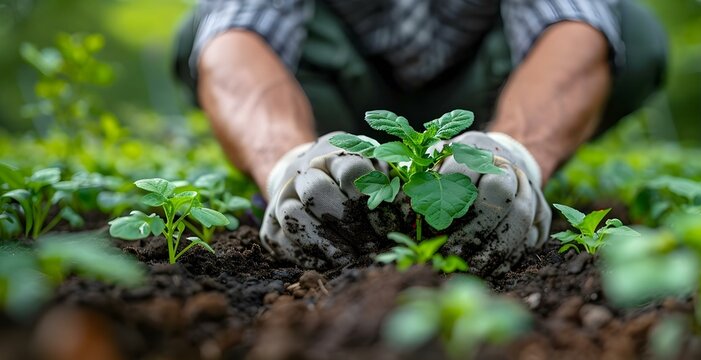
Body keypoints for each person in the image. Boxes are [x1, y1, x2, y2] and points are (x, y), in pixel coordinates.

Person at [174, 0, 666, 276]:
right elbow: (237, 32)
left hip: (491, 90)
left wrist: (518, 155)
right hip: (336, 94)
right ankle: (327, 170)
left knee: (631, 31)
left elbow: (573, 21)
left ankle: (489, 163)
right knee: (197, 33)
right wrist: (286, 161)